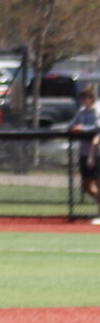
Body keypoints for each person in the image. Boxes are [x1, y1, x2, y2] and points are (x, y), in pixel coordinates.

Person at [66, 86, 100, 224]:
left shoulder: (97, 110)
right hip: (84, 152)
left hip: (97, 152)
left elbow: (97, 128)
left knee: (98, 182)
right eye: (82, 97)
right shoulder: (81, 112)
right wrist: (75, 128)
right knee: (86, 186)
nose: (83, 100)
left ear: (91, 99)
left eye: (86, 97)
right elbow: (71, 125)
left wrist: (83, 128)